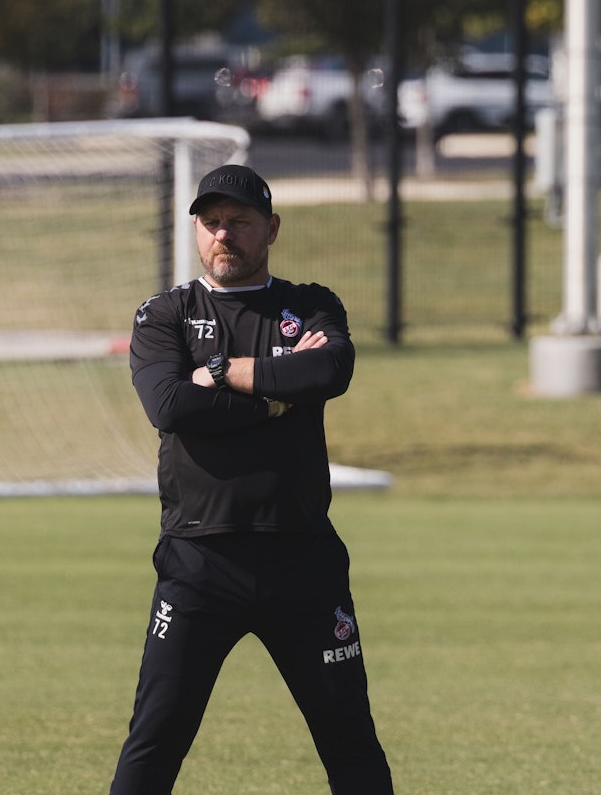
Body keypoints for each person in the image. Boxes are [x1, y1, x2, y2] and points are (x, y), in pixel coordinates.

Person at [111, 164, 395, 795]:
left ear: (271, 229)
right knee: (155, 737)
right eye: (212, 222)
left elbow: (328, 372)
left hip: (303, 558)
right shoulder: (165, 314)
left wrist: (219, 371)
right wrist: (275, 395)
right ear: (196, 231)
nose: (224, 234)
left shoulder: (312, 304)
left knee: (349, 737)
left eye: (239, 221)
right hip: (199, 560)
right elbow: (171, 406)